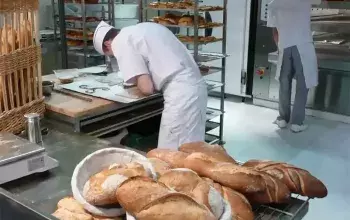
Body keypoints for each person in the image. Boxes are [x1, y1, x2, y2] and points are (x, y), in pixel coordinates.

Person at [93, 21, 208, 149]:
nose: (115, 56)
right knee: (192, 151)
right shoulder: (143, 28)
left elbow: (146, 88)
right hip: (195, 87)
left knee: (172, 155)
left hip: (180, 96)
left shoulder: (120, 42)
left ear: (107, 45)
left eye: (112, 55)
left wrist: (138, 81)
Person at [267, 0, 319, 133]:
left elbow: (275, 31)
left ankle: (283, 119)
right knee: (303, 84)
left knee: (284, 83)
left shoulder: (273, 3)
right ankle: (297, 122)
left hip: (284, 45)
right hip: (303, 44)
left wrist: (280, 47)